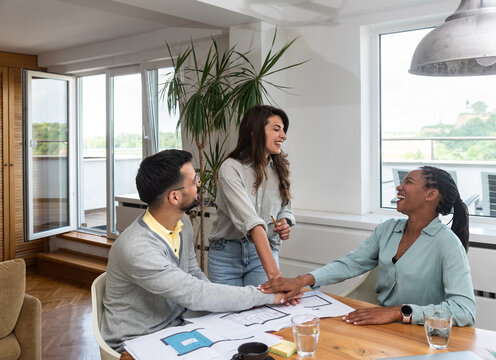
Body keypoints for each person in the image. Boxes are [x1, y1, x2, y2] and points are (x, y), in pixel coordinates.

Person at [101, 149, 291, 352]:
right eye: (193, 182)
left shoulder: (181, 221)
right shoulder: (137, 248)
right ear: (174, 197)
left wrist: (222, 303)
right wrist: (267, 295)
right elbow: (194, 293)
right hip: (134, 342)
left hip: (173, 327)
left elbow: (193, 272)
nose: (199, 184)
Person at [260, 166, 476, 326]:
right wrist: (301, 281)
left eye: (408, 182)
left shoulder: (447, 244)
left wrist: (398, 312)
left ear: (430, 194)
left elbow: (464, 310)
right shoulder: (388, 229)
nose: (399, 186)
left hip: (420, 332)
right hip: (381, 324)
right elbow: (352, 263)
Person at [208, 105, 295, 286]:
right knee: (228, 313)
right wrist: (277, 280)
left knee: (264, 313)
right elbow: (252, 223)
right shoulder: (231, 169)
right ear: (254, 131)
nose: (283, 136)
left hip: (262, 254)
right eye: (276, 129)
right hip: (226, 256)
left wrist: (284, 221)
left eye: (284, 130)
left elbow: (285, 206)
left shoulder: (280, 168)